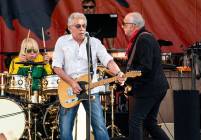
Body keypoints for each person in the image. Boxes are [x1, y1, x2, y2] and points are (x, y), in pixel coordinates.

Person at [52, 12, 124, 140]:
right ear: (70, 28)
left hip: (91, 89)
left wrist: (118, 73)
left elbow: (108, 60)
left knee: (100, 127)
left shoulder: (94, 42)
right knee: (65, 130)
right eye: (78, 26)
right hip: (69, 88)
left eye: (84, 26)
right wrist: (72, 82)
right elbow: (57, 67)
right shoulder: (62, 42)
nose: (82, 29)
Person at [122, 12, 170, 140]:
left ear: (132, 26)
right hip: (155, 87)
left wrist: (129, 79)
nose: (122, 27)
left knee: (135, 121)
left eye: (124, 24)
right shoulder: (142, 38)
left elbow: (145, 67)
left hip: (150, 88)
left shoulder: (144, 39)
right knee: (150, 123)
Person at [9, 37, 53, 101]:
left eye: (35, 51)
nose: (32, 53)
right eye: (29, 51)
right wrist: (21, 63)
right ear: (23, 51)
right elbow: (13, 81)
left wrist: (46, 64)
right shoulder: (16, 60)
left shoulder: (42, 59)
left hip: (39, 94)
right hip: (20, 94)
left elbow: (49, 77)